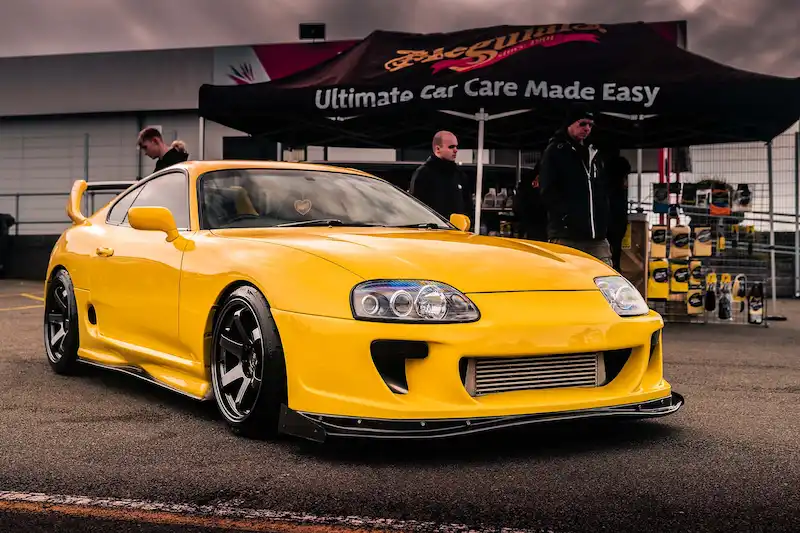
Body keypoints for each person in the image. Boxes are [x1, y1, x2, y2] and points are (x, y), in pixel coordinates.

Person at [538, 104, 611, 266]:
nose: (587, 129)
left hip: (596, 236)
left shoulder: (594, 153)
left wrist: (604, 217)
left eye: (590, 125)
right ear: (570, 124)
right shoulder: (556, 151)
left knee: (604, 277)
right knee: (563, 282)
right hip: (567, 235)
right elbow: (547, 189)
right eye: (582, 124)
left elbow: (601, 189)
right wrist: (565, 216)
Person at [409, 130, 472, 222]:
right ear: (438, 149)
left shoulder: (459, 174)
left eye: (456, 146)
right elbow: (415, 206)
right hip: (432, 231)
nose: (456, 150)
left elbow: (468, 205)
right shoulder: (424, 173)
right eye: (451, 147)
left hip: (457, 232)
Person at [603, 149, 632, 271]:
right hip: (613, 226)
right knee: (614, 254)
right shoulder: (617, 192)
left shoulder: (604, 190)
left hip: (608, 228)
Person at [513, 162, 548, 241]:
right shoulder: (543, 182)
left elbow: (517, 207)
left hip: (530, 226)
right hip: (539, 226)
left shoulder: (526, 181)